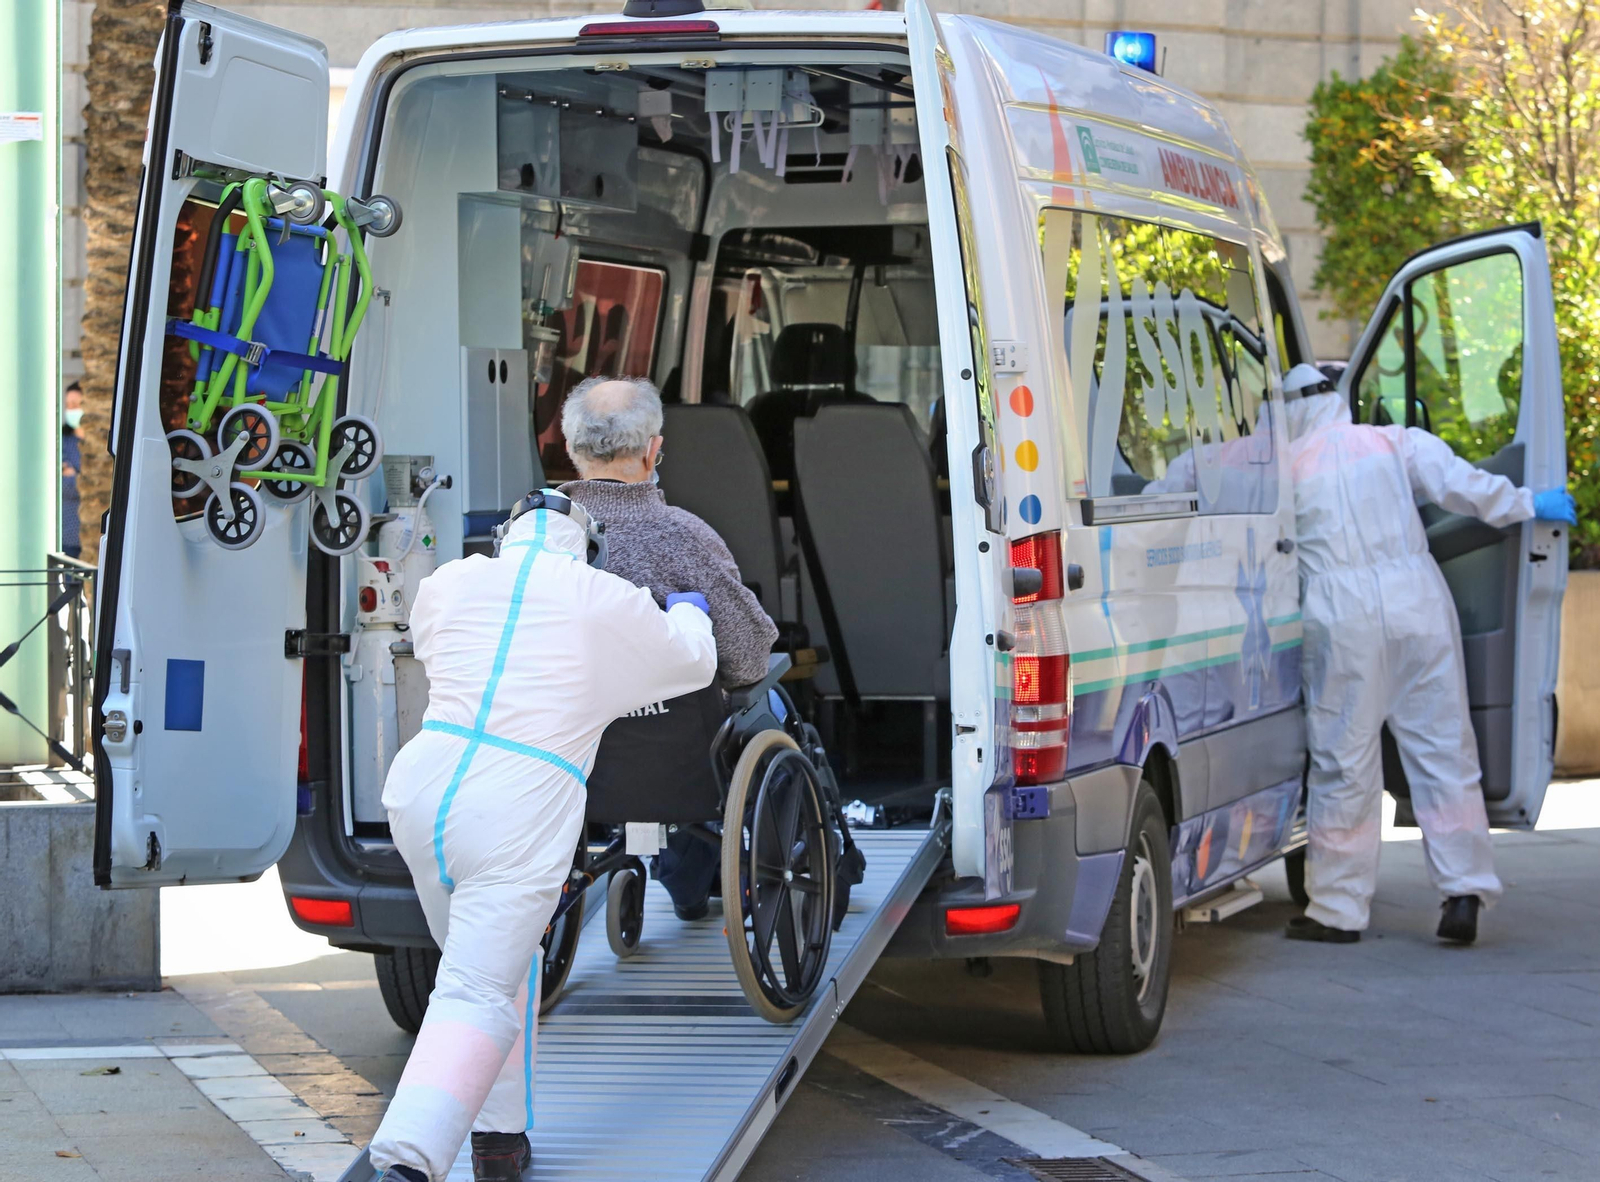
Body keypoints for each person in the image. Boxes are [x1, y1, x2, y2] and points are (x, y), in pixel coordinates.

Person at [369, 491, 717, 1182]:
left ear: (504, 536)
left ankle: (499, 1141)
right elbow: (692, 664)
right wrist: (687, 611)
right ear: (585, 543)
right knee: (476, 988)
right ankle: (407, 1164)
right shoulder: (603, 596)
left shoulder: (448, 583)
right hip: (518, 805)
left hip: (425, 788)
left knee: (491, 970)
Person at [1279, 362, 1576, 946]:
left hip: (1342, 619)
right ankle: (1464, 890)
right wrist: (1527, 502)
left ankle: (1338, 910)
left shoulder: (1282, 468)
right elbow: (1462, 486)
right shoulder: (1394, 441)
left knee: (1346, 763)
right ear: (1337, 399)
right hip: (1418, 601)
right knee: (1444, 752)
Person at [557, 375, 779, 920]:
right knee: (763, 708)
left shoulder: (529, 537)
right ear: (654, 449)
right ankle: (697, 876)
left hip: (567, 751)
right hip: (677, 753)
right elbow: (747, 659)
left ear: (570, 449)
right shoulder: (683, 536)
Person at [61, 382, 83, 559]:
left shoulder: (105, 443)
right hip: (68, 538)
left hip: (99, 541)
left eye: (76, 404)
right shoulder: (62, 442)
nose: (71, 409)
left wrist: (73, 474)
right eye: (68, 405)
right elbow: (63, 485)